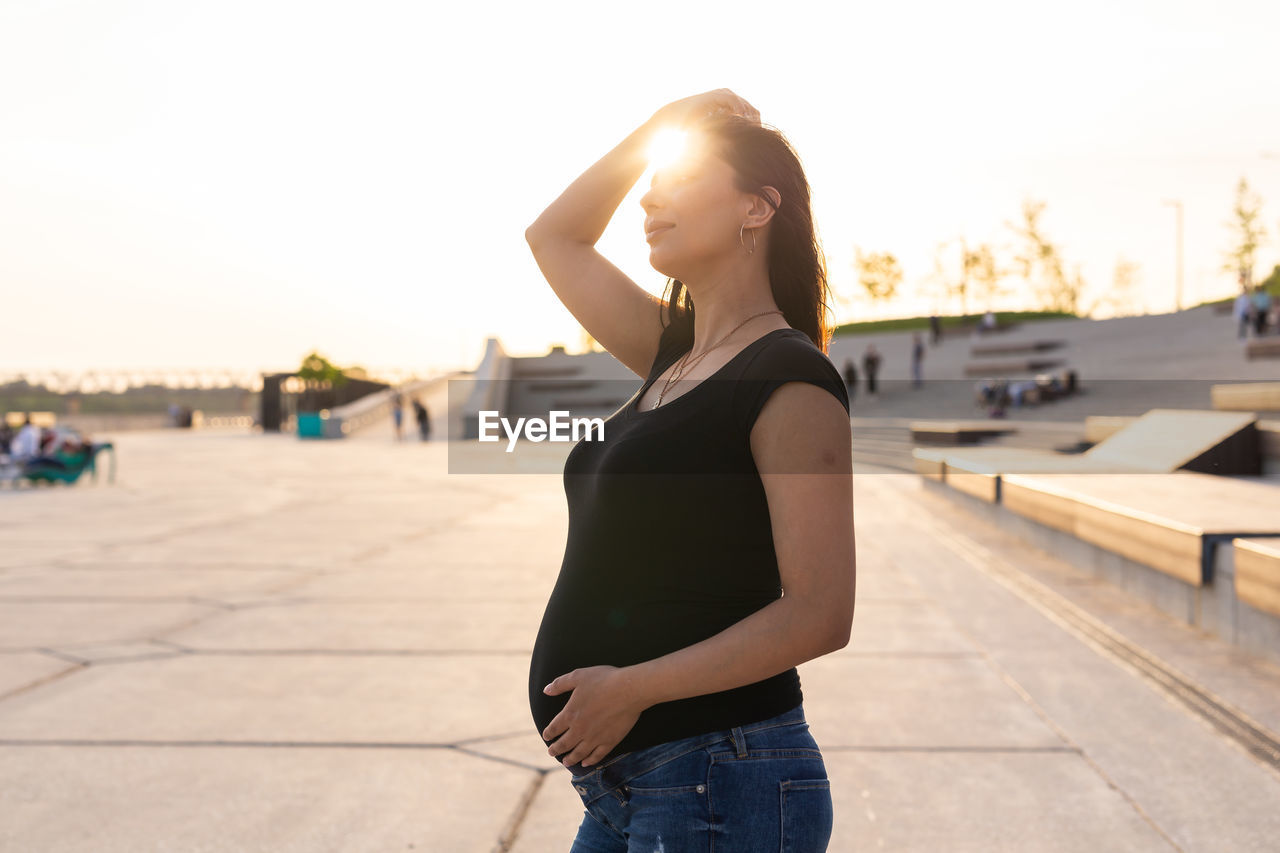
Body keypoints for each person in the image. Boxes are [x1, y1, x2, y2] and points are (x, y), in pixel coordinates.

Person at [524, 89, 853, 852]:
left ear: (756, 209)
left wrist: (631, 688)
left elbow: (820, 612)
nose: (650, 195)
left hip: (719, 774)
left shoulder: (790, 378)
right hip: (634, 785)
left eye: (681, 177)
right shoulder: (676, 353)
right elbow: (554, 237)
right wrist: (660, 129)